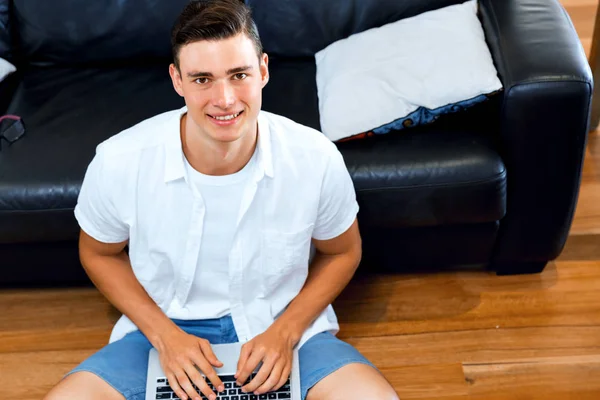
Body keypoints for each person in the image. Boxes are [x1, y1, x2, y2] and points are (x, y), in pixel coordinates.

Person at [44, 1, 399, 399]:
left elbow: (342, 252)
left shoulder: (315, 157)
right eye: (202, 79)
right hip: (162, 330)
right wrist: (165, 337)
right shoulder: (119, 160)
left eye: (239, 75)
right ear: (177, 80)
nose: (225, 99)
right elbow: (98, 253)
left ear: (263, 70)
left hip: (281, 327)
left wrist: (285, 332)